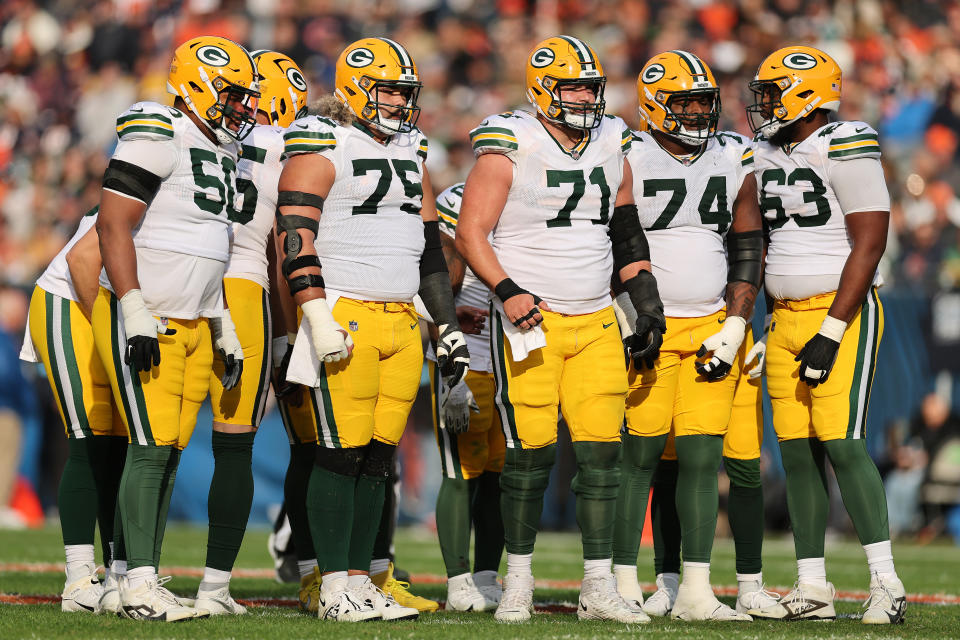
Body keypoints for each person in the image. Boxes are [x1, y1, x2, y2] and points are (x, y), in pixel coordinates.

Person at [456, 35, 664, 624]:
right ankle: (516, 580)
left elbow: (626, 230)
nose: (584, 98)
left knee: (603, 457)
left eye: (590, 87)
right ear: (544, 88)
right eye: (574, 86)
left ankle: (598, 585)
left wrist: (645, 303)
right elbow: (472, 233)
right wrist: (507, 292)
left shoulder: (610, 138)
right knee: (529, 457)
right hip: (532, 320)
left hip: (597, 315)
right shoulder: (510, 141)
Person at [275, 37, 468, 622]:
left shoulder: (412, 150)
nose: (397, 103)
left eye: (404, 93)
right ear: (357, 88)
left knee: (378, 459)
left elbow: (431, 252)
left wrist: (447, 327)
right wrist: (313, 315)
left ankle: (360, 579)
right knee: (338, 454)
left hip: (403, 319)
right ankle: (332, 585)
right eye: (387, 90)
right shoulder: (322, 141)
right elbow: (292, 236)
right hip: (347, 314)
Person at [91, 35, 258, 621]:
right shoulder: (157, 130)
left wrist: (223, 325)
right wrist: (133, 306)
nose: (242, 106)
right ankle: (138, 583)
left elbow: (211, 247)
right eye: (233, 94)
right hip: (151, 315)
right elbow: (113, 225)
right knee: (149, 449)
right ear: (196, 84)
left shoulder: (219, 149)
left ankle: (124, 578)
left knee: (167, 452)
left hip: (193, 318)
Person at [743, 45, 906, 624]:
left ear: (807, 92)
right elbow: (761, 247)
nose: (762, 104)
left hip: (840, 312)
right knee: (797, 453)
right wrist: (760, 321)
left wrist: (833, 329)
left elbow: (869, 241)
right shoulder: (763, 152)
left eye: (773, 91)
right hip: (783, 317)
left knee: (841, 443)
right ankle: (813, 585)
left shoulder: (845, 140)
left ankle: (886, 584)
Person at [610, 50, 769, 621]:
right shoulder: (625, 152)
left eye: (705, 101)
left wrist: (735, 323)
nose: (700, 113)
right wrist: (624, 309)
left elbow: (749, 242)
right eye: (687, 102)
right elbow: (607, 235)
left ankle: (697, 591)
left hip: (708, 324)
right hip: (646, 323)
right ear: (656, 105)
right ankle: (623, 583)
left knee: (703, 459)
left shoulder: (731, 153)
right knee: (641, 457)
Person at [192, 48, 309, 615]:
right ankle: (214, 586)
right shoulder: (285, 146)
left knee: (152, 446)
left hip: (179, 282)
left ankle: (126, 572)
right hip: (241, 287)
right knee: (234, 444)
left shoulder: (191, 131)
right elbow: (286, 249)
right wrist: (288, 335)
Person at [19, 206, 127, 613]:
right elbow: (81, 259)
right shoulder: (155, 183)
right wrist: (106, 329)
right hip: (73, 302)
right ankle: (79, 579)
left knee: (121, 445)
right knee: (88, 438)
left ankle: (120, 573)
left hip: (109, 308)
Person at [427, 182, 505, 611]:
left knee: (500, 478)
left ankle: (486, 575)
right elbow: (434, 278)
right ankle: (458, 581)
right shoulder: (457, 200)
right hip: (467, 354)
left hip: (514, 358)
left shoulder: (534, 195)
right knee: (460, 472)